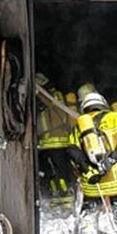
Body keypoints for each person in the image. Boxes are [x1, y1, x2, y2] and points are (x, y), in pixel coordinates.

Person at [70, 92, 117, 234]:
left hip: (94, 181)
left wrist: (86, 173)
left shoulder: (79, 126)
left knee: (89, 213)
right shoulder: (114, 117)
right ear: (102, 104)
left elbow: (73, 152)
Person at [35, 73, 75, 202]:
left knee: (56, 174)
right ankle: (58, 201)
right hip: (53, 144)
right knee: (55, 175)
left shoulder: (47, 96)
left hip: (53, 144)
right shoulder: (52, 96)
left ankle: (62, 202)